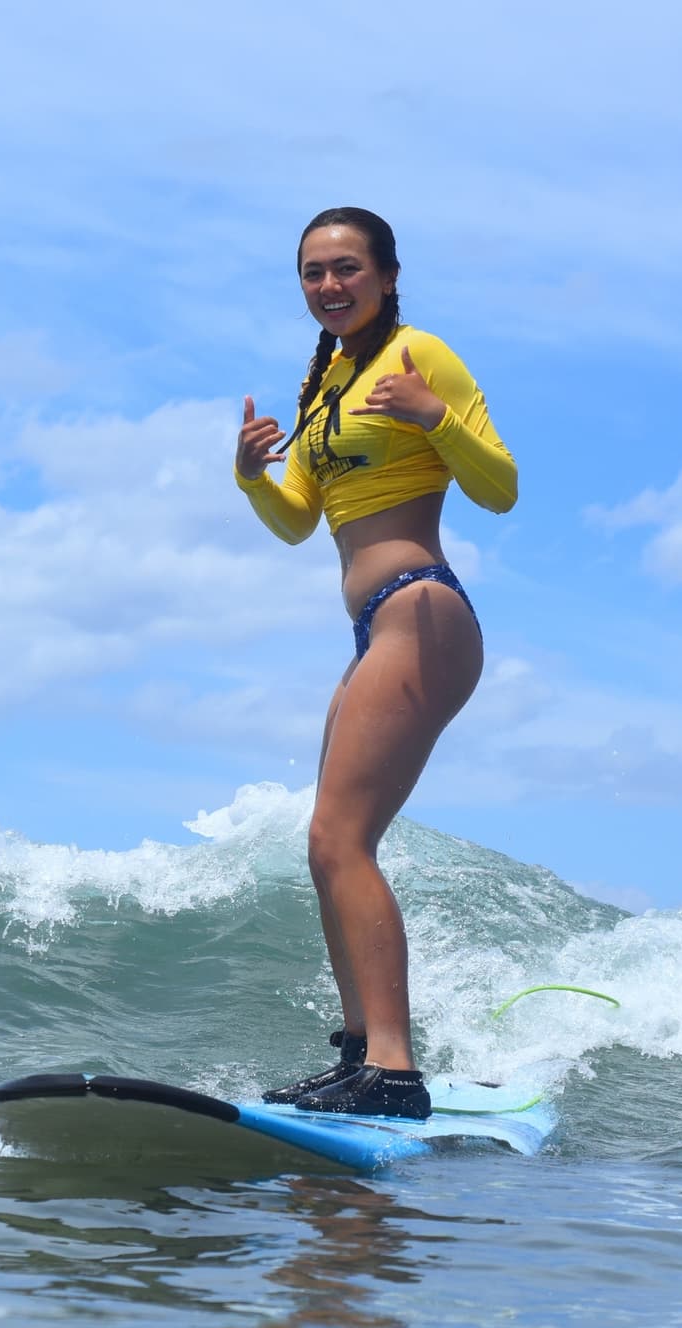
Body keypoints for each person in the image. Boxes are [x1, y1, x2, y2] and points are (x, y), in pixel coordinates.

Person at [233, 207, 517, 1119]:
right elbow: (297, 523)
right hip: (373, 629)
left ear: (388, 275)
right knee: (326, 848)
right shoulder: (326, 388)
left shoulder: (420, 356)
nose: (328, 286)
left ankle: (393, 1070)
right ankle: (360, 1052)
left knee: (339, 838)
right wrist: (249, 478)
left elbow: (500, 488)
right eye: (312, 272)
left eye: (347, 268)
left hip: (421, 611)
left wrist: (438, 418)